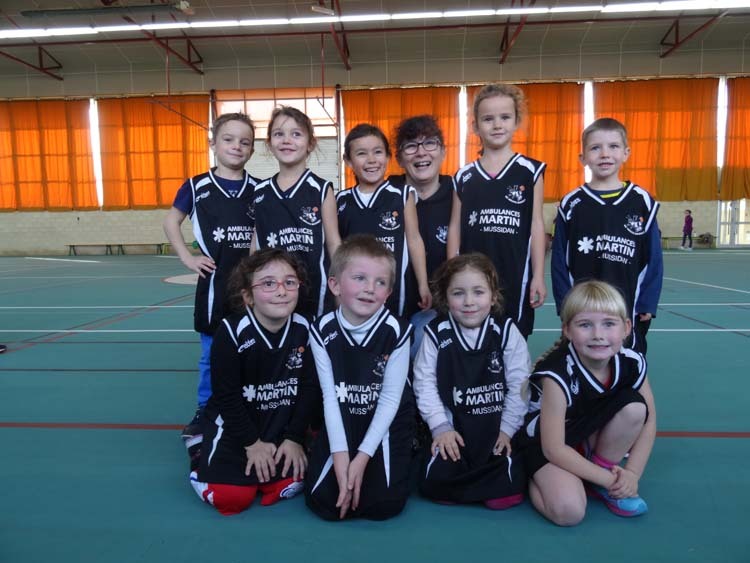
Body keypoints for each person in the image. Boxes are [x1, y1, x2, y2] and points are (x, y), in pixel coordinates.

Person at [189, 249, 319, 515]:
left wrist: (294, 438)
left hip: (279, 426)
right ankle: (199, 450)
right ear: (248, 296)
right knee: (231, 499)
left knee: (291, 481)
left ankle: (273, 461)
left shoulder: (306, 328)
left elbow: (309, 388)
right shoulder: (230, 331)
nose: (281, 291)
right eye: (268, 283)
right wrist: (252, 444)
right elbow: (226, 396)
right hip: (235, 427)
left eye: (289, 282)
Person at [163, 112, 260, 459]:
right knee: (210, 356)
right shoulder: (196, 186)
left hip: (249, 287)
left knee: (251, 351)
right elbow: (171, 221)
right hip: (214, 287)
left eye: (245, 142)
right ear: (214, 144)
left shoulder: (259, 189)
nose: (237, 146)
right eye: (229, 139)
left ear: (252, 149)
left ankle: (248, 407)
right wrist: (187, 258)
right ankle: (205, 409)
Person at [520, 280, 656, 526]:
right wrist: (613, 481)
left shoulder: (632, 361)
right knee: (569, 512)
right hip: (544, 444)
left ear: (626, 327)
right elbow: (553, 449)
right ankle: (531, 474)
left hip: (584, 434)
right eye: (585, 325)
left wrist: (632, 475)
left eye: (609, 324)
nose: (598, 335)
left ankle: (597, 471)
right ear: (567, 330)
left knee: (636, 408)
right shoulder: (557, 373)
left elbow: (649, 421)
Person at [305, 235, 415, 521]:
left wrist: (362, 458)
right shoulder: (321, 330)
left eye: (380, 282)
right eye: (359, 278)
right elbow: (330, 398)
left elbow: (390, 399)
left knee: (383, 505)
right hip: (343, 417)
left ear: (389, 292)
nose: (370, 289)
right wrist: (341, 456)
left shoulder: (397, 331)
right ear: (335, 285)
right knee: (324, 502)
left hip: (384, 422)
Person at [412, 254, 529, 509]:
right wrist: (440, 427)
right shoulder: (435, 334)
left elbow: (520, 386)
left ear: (493, 296)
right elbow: (424, 383)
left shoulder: (506, 332)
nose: (469, 302)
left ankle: (481, 483)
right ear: (446, 298)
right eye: (458, 293)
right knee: (435, 484)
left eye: (478, 292)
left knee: (505, 495)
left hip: (496, 431)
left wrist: (507, 429)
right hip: (455, 433)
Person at [551, 117, 663, 354]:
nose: (605, 154)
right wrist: (564, 303)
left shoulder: (641, 201)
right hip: (583, 305)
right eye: (595, 148)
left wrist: (648, 301)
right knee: (583, 361)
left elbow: (653, 259)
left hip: (628, 304)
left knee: (628, 361)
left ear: (626, 153)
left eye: (613, 146)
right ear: (582, 158)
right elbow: (559, 260)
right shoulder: (572, 204)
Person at [447, 84, 547, 339]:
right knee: (473, 339)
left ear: (517, 121)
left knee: (513, 340)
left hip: (515, 272)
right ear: (475, 126)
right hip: (473, 276)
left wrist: (538, 275)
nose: (497, 125)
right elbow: (455, 227)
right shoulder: (464, 176)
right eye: (488, 119)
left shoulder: (530, 171)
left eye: (505, 117)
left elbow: (536, 224)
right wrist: (451, 273)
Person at [252, 106, 341, 317]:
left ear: (310, 143)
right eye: (278, 134)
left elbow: (333, 243)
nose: (286, 140)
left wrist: (340, 285)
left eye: (296, 134)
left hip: (315, 293)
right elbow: (256, 243)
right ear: (269, 143)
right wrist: (250, 281)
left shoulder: (321, 189)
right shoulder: (260, 191)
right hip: (273, 291)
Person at [336, 123, 431, 318]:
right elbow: (335, 248)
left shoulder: (402, 195)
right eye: (361, 153)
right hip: (356, 292)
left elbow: (414, 240)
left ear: (388, 156)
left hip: (395, 294)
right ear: (348, 161)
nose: (371, 160)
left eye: (378, 152)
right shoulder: (341, 201)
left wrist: (423, 284)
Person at [388, 115, 454, 356]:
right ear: (398, 158)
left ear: (443, 151)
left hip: (442, 312)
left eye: (430, 143)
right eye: (411, 146)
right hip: (392, 309)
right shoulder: (386, 195)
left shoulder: (459, 194)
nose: (421, 152)